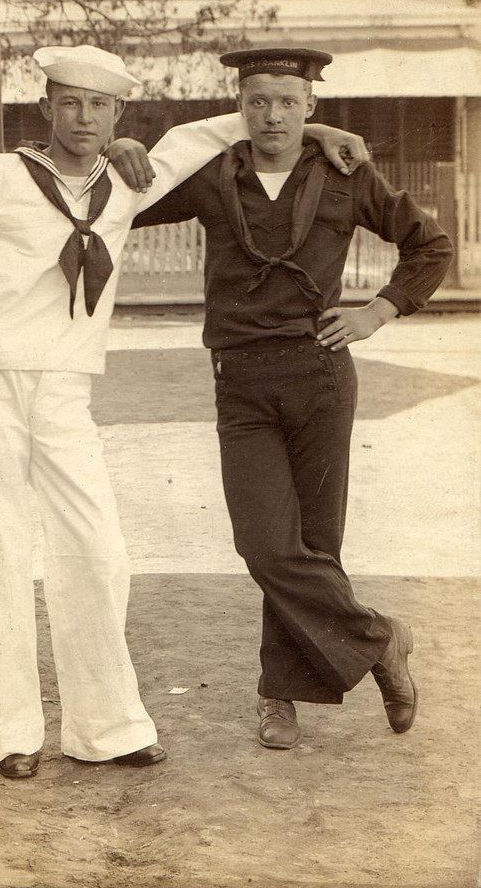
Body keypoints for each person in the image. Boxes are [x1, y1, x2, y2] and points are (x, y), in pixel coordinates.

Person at [0, 44, 369, 778]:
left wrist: (319, 132)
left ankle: (104, 729)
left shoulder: (128, 180)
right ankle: (11, 735)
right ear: (47, 108)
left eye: (99, 105)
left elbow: (223, 130)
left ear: (116, 115)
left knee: (98, 556)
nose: (83, 117)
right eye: (69, 102)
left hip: (66, 390)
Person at [131, 46, 453, 750]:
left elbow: (429, 245)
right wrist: (128, 149)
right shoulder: (212, 176)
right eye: (256, 100)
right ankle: (380, 638)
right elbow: (120, 205)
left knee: (312, 543)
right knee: (264, 543)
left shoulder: (343, 174)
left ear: (310, 105)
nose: (270, 113)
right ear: (238, 108)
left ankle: (280, 695)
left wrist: (377, 311)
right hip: (240, 381)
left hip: (320, 376)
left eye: (286, 99)